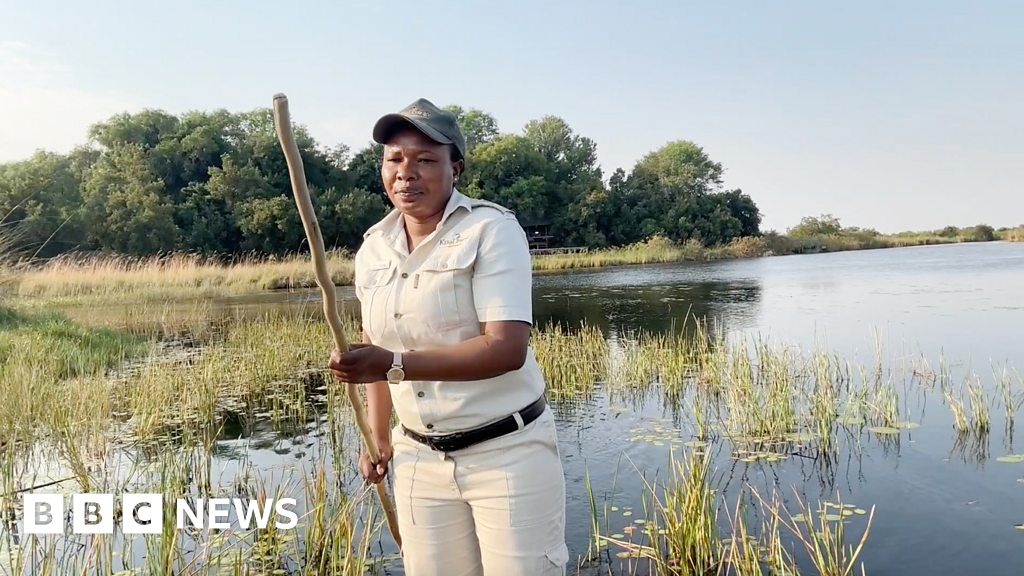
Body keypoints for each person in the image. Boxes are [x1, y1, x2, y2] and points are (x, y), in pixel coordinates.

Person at [328, 98, 568, 576]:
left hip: (507, 453)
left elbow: (505, 349)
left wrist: (393, 363)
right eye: (395, 159)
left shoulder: (492, 230)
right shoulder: (373, 247)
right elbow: (376, 349)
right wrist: (378, 437)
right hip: (418, 458)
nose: (406, 173)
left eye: (425, 160)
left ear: (454, 168)